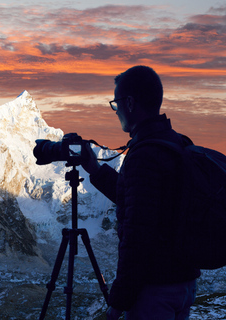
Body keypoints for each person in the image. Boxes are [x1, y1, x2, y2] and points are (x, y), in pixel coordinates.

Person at [82, 65, 200, 319]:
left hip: (155, 290)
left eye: (116, 104)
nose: (116, 112)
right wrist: (95, 169)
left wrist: (118, 303)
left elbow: (137, 235)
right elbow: (140, 201)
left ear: (130, 103)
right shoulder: (175, 142)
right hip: (184, 283)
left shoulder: (144, 155)